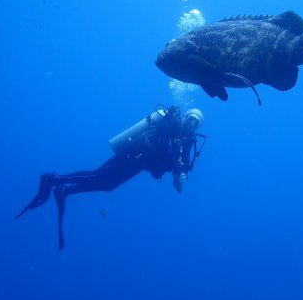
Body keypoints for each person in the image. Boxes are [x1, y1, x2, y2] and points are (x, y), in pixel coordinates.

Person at [15, 105, 207, 249]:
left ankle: (64, 190)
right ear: (184, 117)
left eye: (196, 123)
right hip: (132, 154)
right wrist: (178, 168)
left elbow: (182, 163)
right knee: (97, 175)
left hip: (140, 164)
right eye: (190, 119)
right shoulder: (171, 124)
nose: (191, 124)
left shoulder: (188, 140)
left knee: (106, 185)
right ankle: (53, 180)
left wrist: (181, 175)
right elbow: (164, 146)